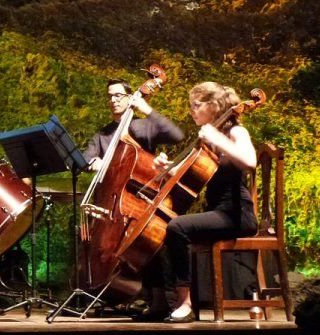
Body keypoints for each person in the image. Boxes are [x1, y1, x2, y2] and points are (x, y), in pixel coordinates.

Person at [150, 82, 258, 322]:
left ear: (213, 105)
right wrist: (165, 168)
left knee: (178, 227)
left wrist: (217, 139)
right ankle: (162, 301)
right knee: (158, 226)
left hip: (237, 214)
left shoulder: (235, 132)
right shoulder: (206, 139)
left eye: (196, 106)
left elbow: (250, 161)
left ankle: (185, 303)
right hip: (218, 213)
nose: (192, 111)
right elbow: (181, 172)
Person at [83, 79, 184, 318]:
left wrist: (146, 109)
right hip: (114, 202)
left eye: (118, 95)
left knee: (147, 238)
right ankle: (114, 292)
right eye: (110, 96)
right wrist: (92, 164)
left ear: (130, 97)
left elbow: (176, 135)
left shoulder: (142, 127)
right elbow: (84, 158)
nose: (113, 100)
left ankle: (159, 300)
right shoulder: (104, 134)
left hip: (142, 197)